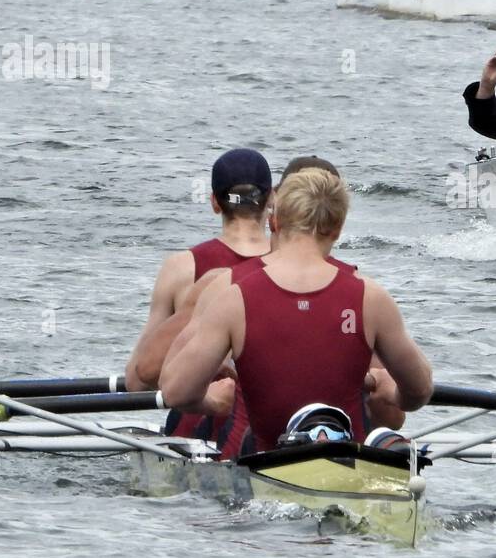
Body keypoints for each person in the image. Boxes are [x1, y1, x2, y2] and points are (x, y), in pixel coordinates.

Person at [160, 168, 433, 452]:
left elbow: (178, 391)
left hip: (261, 462)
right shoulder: (371, 297)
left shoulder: (234, 297)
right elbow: (420, 391)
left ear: (275, 221)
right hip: (347, 463)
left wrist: (212, 402)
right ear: (338, 228)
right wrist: (392, 392)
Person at [125, 148, 274, 395]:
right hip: (271, 424)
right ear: (270, 199)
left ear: (215, 202)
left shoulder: (180, 268)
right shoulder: (297, 266)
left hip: (195, 425)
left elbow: (136, 381)